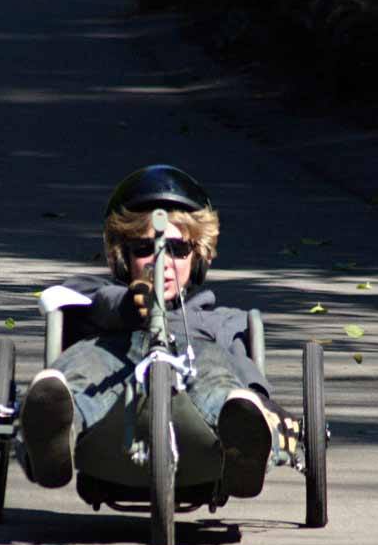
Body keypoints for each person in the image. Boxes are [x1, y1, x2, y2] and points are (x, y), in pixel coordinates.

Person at [20, 164, 299, 497]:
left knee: (217, 373)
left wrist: (261, 406)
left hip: (197, 404)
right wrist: (129, 302)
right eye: (143, 249)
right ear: (121, 257)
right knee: (88, 362)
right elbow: (74, 300)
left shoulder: (222, 320)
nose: (161, 262)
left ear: (199, 257)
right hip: (114, 389)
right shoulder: (99, 296)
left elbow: (247, 373)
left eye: (177, 250)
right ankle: (53, 435)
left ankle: (244, 445)